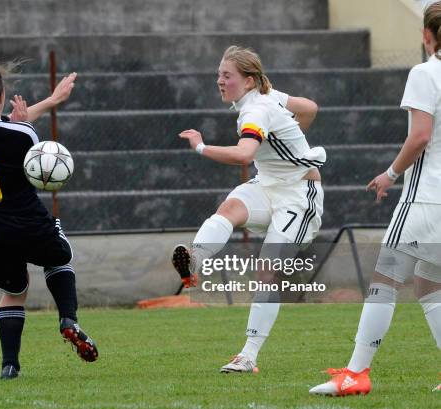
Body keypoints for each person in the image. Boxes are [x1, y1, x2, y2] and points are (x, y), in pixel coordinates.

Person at [310, 1, 441, 396]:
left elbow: (420, 136)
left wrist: (390, 173)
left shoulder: (425, 72)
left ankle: (355, 372)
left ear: (427, 36)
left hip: (425, 199)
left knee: (384, 279)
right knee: (429, 285)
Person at [173, 46, 324, 373]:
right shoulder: (268, 96)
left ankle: (249, 355)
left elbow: (244, 155)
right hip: (268, 183)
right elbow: (310, 108)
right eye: (218, 75)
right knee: (229, 209)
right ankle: (194, 261)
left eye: (227, 76)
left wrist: (200, 146)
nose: (220, 81)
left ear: (250, 80)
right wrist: (293, 141)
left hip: (299, 194)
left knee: (267, 267)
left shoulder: (256, 109)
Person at [0, 60, 98, 380]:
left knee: (15, 290)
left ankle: (10, 365)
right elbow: (32, 161)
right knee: (60, 255)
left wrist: (51, 101)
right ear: (1, 98)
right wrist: (38, 112)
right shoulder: (23, 133)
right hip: (25, 221)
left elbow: (0, 128)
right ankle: (68, 320)